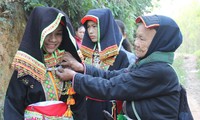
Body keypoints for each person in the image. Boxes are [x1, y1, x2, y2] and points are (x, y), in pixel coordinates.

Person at [56, 15, 184, 120]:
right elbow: (112, 76)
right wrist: (82, 68)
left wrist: (74, 77)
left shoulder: (158, 71)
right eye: (136, 37)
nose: (136, 43)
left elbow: (111, 87)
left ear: (159, 43)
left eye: (142, 39)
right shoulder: (145, 65)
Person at [4, 6, 87, 120]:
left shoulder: (68, 64)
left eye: (58, 34)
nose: (53, 39)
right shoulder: (25, 67)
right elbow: (13, 107)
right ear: (38, 34)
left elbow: (79, 107)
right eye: (48, 33)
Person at [79, 8, 130, 120]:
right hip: (83, 111)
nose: (90, 31)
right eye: (88, 27)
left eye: (94, 26)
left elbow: (121, 88)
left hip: (106, 112)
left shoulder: (120, 56)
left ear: (105, 27)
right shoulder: (82, 55)